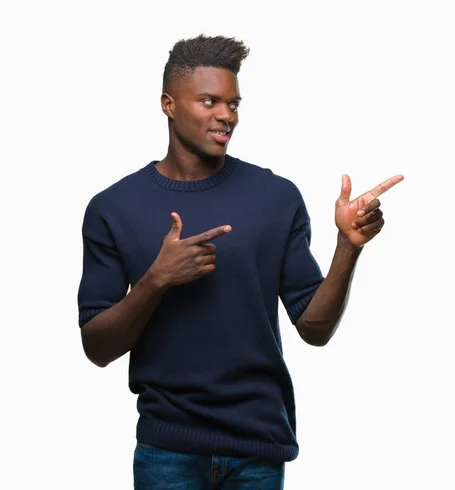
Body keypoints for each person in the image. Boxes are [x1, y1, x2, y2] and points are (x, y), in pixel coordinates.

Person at [77, 34, 403, 490]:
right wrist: (156, 281)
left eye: (233, 103)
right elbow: (97, 347)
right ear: (169, 104)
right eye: (209, 101)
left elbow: (314, 329)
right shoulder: (114, 207)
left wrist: (348, 246)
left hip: (258, 448)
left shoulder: (275, 197)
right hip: (166, 451)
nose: (226, 115)